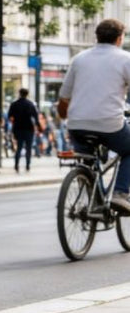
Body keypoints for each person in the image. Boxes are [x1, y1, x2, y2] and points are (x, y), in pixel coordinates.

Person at [58, 18, 130, 214]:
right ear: (119, 38)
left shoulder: (79, 58)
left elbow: (63, 98)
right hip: (110, 124)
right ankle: (120, 194)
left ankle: (92, 195)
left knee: (88, 159)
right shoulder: (125, 59)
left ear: (96, 37)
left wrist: (66, 118)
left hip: (77, 125)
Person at [7, 88, 39, 172]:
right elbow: (35, 117)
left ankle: (16, 165)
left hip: (18, 128)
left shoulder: (14, 104)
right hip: (29, 128)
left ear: (19, 93)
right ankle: (28, 165)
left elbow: (10, 116)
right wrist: (37, 126)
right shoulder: (30, 104)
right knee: (29, 148)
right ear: (27, 94)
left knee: (19, 147)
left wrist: (14, 121)